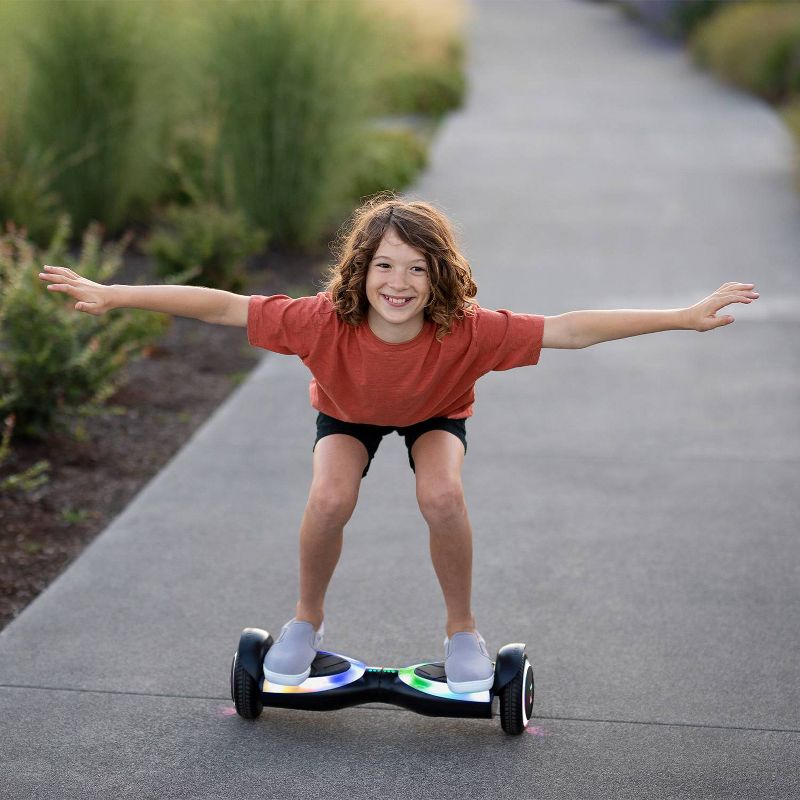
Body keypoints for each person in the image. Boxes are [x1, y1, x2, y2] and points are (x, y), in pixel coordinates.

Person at [39, 194, 759, 693]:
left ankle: (463, 634)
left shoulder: (468, 330)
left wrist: (681, 316)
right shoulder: (322, 321)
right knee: (329, 494)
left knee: (441, 493)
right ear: (361, 270)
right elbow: (225, 306)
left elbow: (569, 328)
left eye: (417, 268)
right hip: (347, 413)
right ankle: (304, 622)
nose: (399, 282)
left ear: (438, 276)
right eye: (385, 265)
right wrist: (114, 292)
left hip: (435, 412)